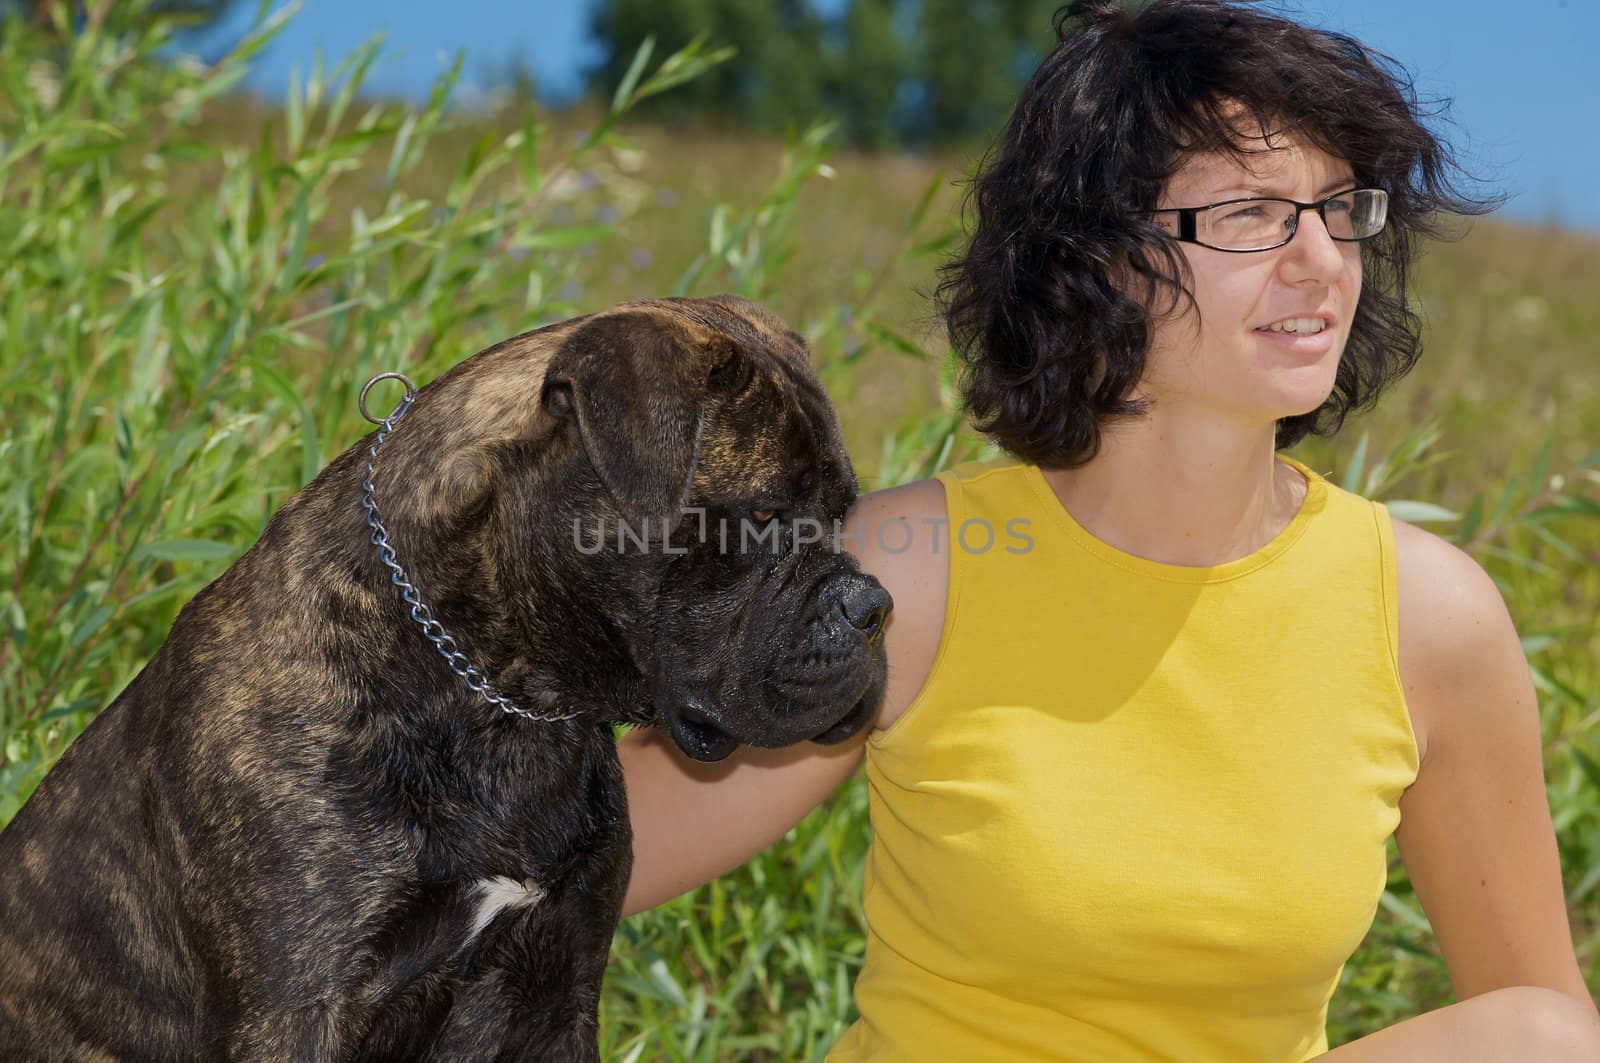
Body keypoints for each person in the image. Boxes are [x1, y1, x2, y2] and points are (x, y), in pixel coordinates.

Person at [616, 1, 1600, 1059]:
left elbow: (1535, 1022)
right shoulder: (911, 573)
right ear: (1096, 259)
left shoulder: (1430, 619)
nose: (1321, 260)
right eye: (1251, 214)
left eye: (1337, 208)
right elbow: (592, 857)